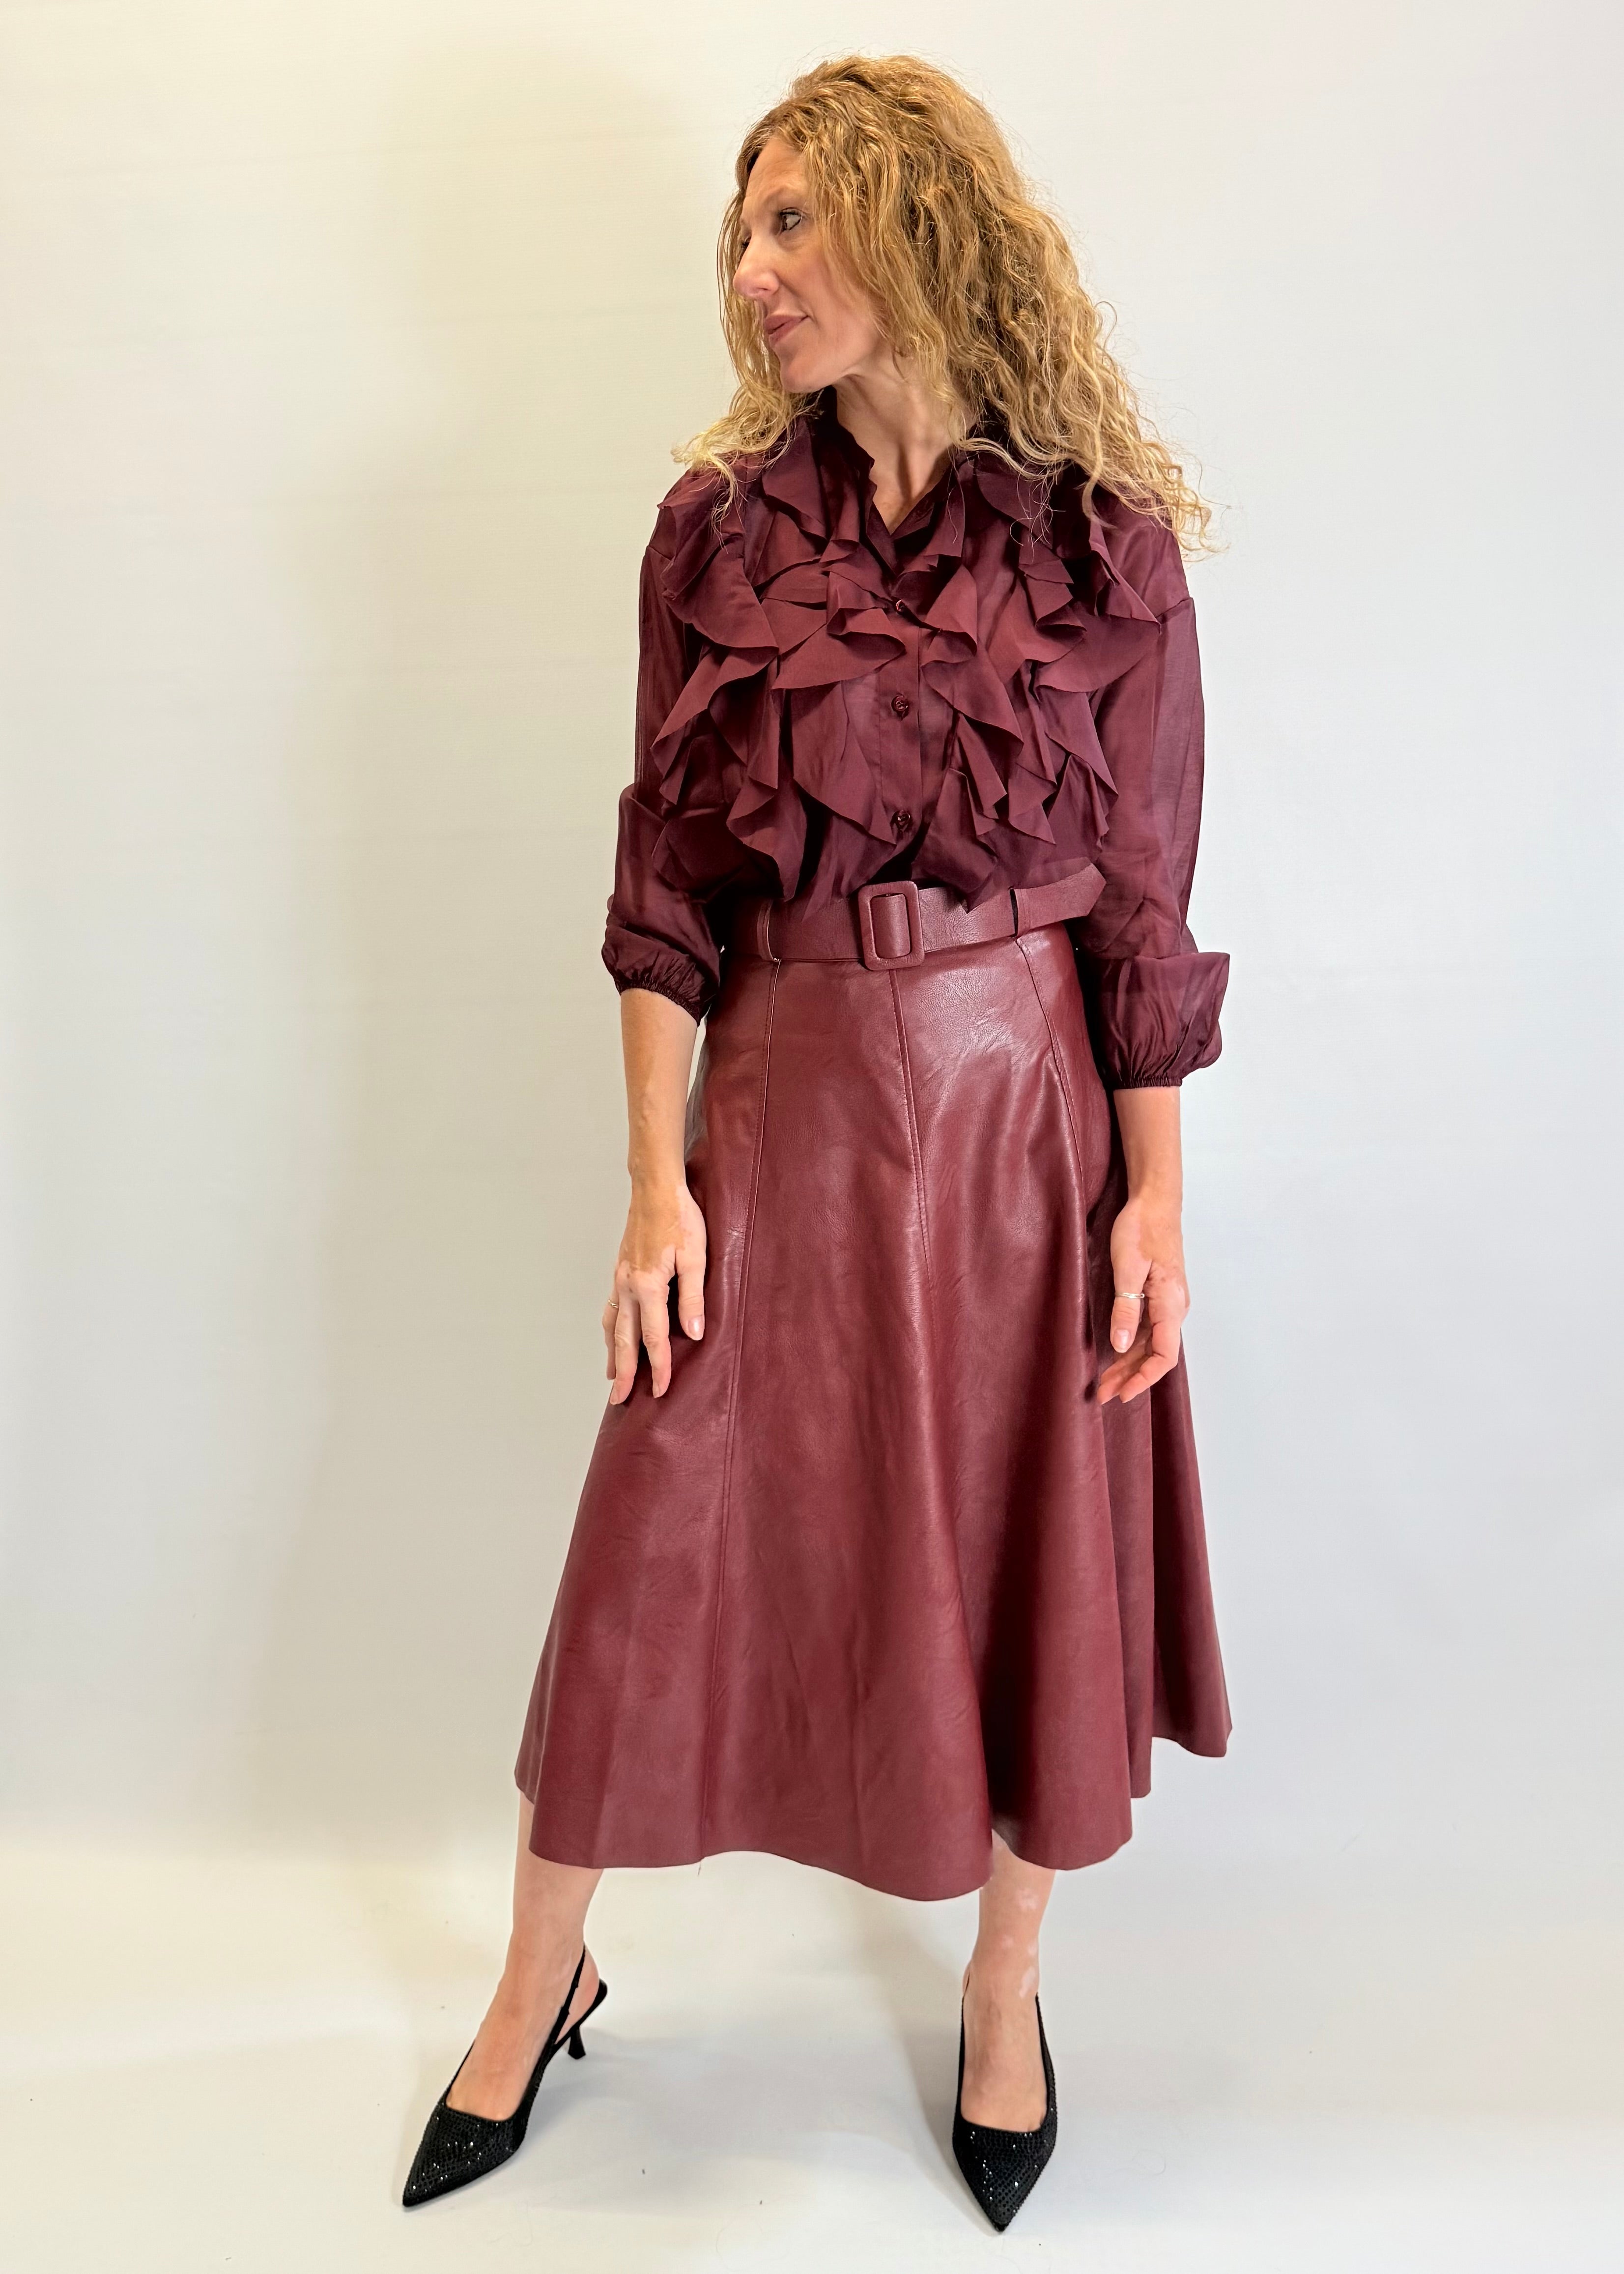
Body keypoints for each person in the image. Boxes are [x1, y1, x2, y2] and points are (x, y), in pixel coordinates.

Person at [403, 51, 1231, 2231]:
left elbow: (1142, 902)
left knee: (1023, 1550)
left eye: (791, 222)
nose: (752, 273)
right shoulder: (712, 536)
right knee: (645, 1533)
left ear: (912, 220)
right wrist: (652, 1178)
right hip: (772, 1097)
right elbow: (664, 882)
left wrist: (1153, 1196)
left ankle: (1005, 1985)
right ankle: (536, 1970)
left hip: (1011, 1124)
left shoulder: (1097, 549)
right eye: (739, 234)